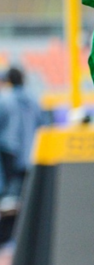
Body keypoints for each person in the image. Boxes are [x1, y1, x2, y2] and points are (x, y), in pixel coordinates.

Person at [0, 67, 44, 220]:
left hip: (9, 150)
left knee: (9, 194)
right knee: (26, 192)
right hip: (32, 151)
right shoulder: (33, 99)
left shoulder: (5, 99)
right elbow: (43, 124)